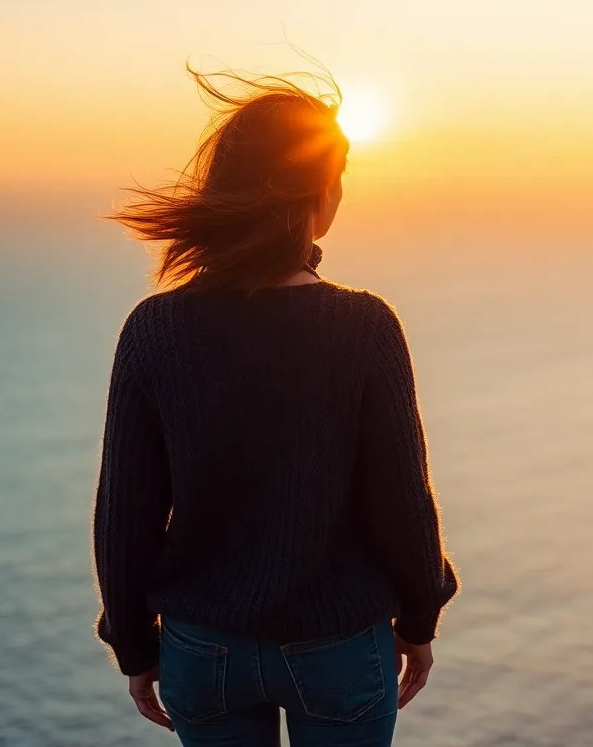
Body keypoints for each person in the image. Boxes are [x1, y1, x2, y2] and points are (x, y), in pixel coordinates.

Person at [93, 66, 458, 747]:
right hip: (339, 645)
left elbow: (126, 510)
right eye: (338, 175)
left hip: (203, 650)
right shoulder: (364, 327)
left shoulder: (154, 329)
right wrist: (418, 621)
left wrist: (134, 648)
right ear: (314, 190)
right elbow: (401, 499)